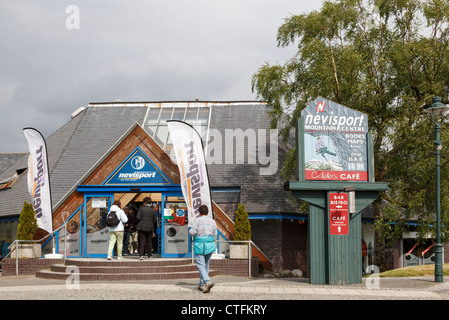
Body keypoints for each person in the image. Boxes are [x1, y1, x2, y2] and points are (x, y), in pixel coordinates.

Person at [189, 204, 217, 293]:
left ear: (199, 212)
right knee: (206, 265)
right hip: (209, 244)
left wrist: (191, 231)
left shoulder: (197, 221)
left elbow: (192, 232)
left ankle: (207, 281)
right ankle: (202, 285)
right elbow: (215, 233)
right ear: (207, 212)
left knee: (200, 265)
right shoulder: (212, 221)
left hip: (199, 244)